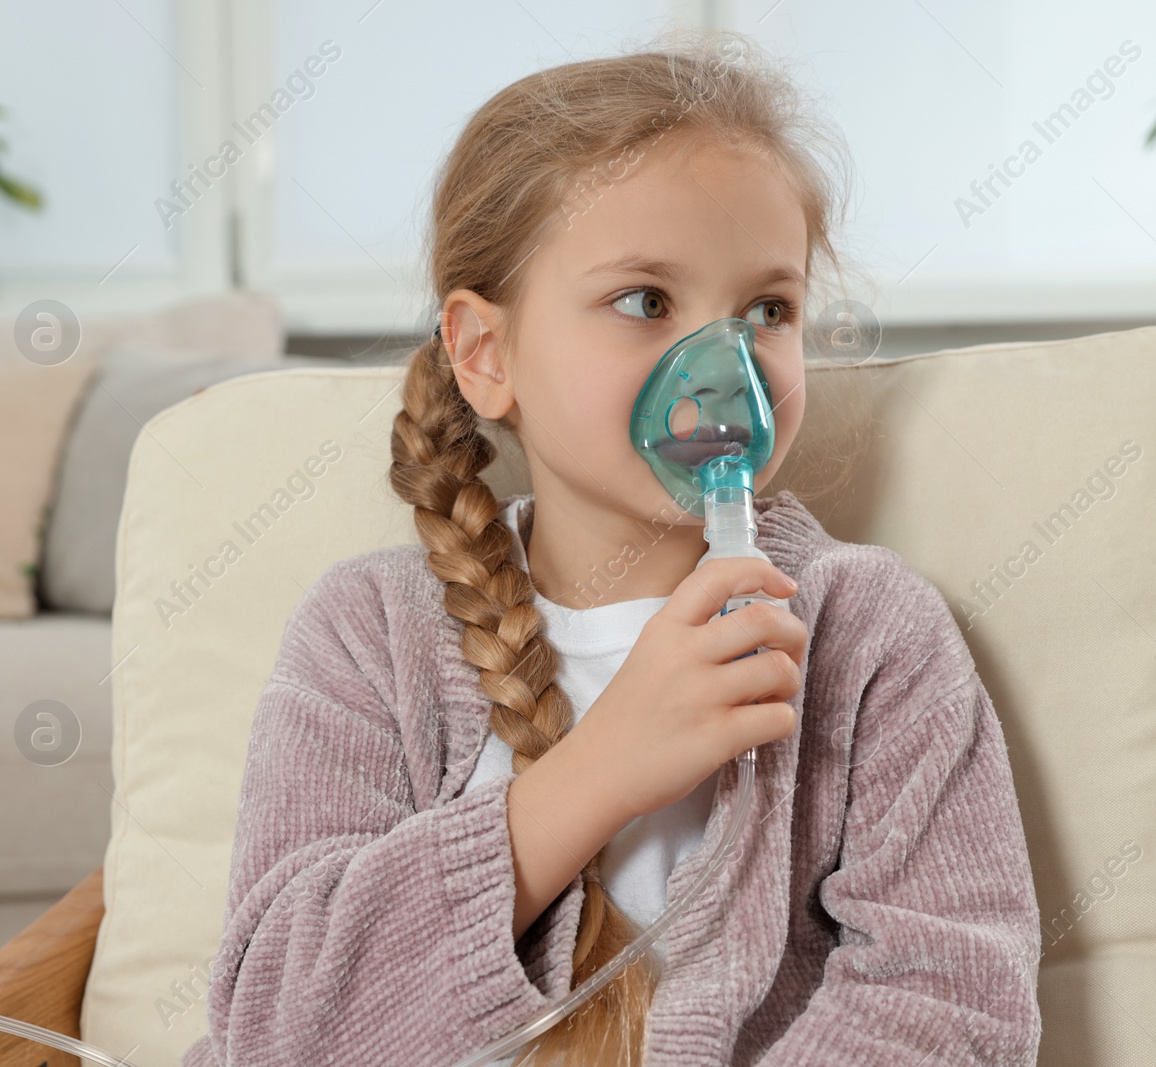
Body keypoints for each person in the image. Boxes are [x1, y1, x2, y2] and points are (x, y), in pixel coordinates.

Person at [183, 27, 1041, 1067]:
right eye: (644, 301)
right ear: (486, 354)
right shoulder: (368, 637)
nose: (724, 369)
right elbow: (276, 1029)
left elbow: (954, 1004)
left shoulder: (868, 638)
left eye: (767, 309)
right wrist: (595, 773)